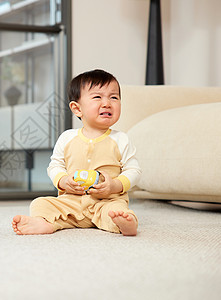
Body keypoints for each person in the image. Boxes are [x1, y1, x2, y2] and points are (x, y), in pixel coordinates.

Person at [12, 69, 141, 236]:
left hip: (105, 201)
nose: (107, 103)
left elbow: (134, 170)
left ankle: (125, 224)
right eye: (97, 97)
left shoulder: (121, 139)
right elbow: (55, 166)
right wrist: (64, 181)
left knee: (116, 211)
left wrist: (114, 185)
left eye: (114, 97)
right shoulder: (67, 138)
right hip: (71, 202)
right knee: (40, 203)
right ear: (77, 109)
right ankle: (45, 223)